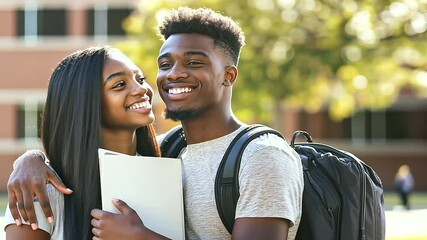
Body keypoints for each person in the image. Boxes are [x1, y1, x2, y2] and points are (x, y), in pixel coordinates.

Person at [6, 7, 304, 240]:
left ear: (229, 75)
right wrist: (31, 159)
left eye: (194, 62)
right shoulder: (168, 151)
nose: (173, 75)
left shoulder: (261, 156)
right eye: (164, 65)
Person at [3, 46, 162, 240]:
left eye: (140, 79)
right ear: (84, 102)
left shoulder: (168, 169)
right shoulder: (39, 193)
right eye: (120, 84)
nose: (142, 89)